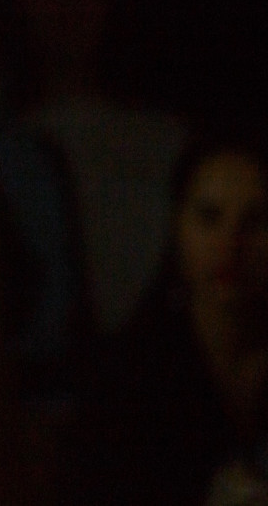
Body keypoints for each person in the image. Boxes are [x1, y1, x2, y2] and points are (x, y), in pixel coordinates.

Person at [72, 130, 268, 506]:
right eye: (209, 218)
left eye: (256, 222)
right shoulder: (129, 376)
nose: (230, 244)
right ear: (178, 225)